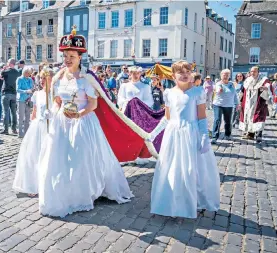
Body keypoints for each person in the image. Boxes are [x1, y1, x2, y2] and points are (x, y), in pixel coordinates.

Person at [37, 29, 133, 217]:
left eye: (72, 56)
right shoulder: (58, 78)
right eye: (65, 56)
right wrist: (52, 111)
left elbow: (94, 104)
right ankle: (64, 192)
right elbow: (57, 101)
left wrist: (79, 114)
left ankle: (83, 192)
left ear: (80, 57)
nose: (68, 59)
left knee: (81, 159)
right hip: (62, 124)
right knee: (60, 159)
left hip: (82, 123)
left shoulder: (86, 78)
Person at [147, 60, 220, 218]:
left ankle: (193, 200)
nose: (186, 75)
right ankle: (173, 201)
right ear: (173, 76)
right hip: (173, 135)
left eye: (188, 72)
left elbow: (201, 117)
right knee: (173, 168)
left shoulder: (197, 92)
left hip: (190, 133)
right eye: (181, 72)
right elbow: (167, 118)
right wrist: (153, 133)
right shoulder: (168, 93)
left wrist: (204, 137)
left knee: (191, 169)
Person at [13, 68, 53, 197]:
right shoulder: (37, 94)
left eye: (44, 78)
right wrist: (32, 126)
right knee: (34, 155)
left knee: (48, 155)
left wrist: (52, 115)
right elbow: (34, 113)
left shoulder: (55, 94)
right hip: (38, 126)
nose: (41, 81)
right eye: (40, 78)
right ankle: (34, 184)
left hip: (51, 127)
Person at [239, 66, 273, 143]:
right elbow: (242, 90)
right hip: (248, 103)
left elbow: (268, 85)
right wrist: (239, 101)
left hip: (259, 103)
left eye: (254, 71)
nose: (253, 73)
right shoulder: (247, 80)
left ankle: (259, 135)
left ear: (258, 72)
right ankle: (250, 134)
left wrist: (266, 88)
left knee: (258, 118)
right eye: (251, 71)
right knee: (248, 118)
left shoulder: (264, 79)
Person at [211, 69, 239, 144]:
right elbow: (217, 89)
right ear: (221, 75)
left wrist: (237, 103)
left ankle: (227, 134)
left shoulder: (231, 84)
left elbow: (235, 95)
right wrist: (218, 90)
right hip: (218, 104)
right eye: (224, 74)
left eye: (227, 75)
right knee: (217, 120)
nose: (225, 76)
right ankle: (214, 137)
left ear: (229, 76)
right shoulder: (218, 83)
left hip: (229, 105)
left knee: (228, 121)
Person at [0, 58, 20, 135]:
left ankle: (6, 129)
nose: (7, 63)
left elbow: (0, 76)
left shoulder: (6, 71)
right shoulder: (17, 72)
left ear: (10, 63)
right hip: (14, 94)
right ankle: (14, 129)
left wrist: (3, 69)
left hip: (6, 93)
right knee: (13, 112)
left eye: (7, 62)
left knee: (6, 112)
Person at [16, 66, 34, 138]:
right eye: (26, 73)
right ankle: (20, 133)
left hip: (28, 100)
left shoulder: (30, 79)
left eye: (29, 73)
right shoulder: (19, 79)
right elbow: (17, 89)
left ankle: (26, 133)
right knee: (21, 117)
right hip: (21, 100)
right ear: (24, 72)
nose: (28, 74)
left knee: (27, 117)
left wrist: (31, 92)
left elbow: (32, 88)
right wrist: (25, 91)